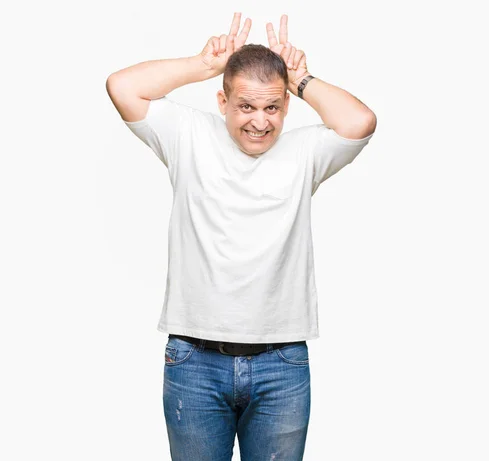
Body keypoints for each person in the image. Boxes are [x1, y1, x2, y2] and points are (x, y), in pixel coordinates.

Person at [106, 12, 376, 461]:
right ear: (223, 100)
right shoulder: (187, 135)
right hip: (194, 361)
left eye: (272, 107)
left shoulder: (306, 149)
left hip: (282, 364)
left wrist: (301, 78)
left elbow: (360, 121)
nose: (259, 122)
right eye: (245, 106)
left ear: (286, 106)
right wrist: (202, 65)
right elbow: (121, 86)